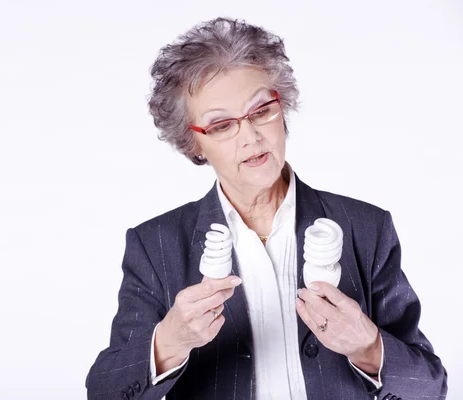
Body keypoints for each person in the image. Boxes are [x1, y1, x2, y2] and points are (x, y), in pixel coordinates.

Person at [85, 17, 447, 400]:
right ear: (193, 144)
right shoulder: (155, 245)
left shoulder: (366, 228)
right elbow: (106, 391)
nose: (252, 136)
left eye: (261, 111)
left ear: (283, 106)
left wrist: (369, 347)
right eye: (222, 125)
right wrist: (169, 342)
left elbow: (430, 388)